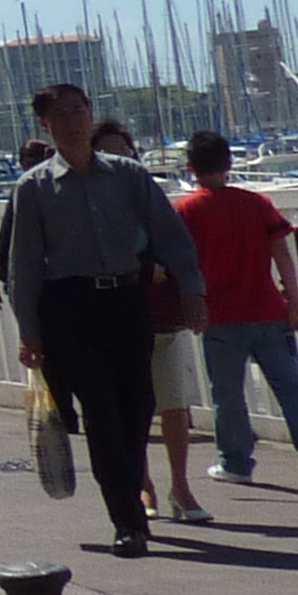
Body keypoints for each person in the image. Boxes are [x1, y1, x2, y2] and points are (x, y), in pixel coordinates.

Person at [1, 82, 205, 559]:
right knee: (102, 414)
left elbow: (170, 235)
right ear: (45, 126)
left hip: (126, 301)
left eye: (80, 110)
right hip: (69, 308)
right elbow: (23, 265)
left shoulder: (128, 176)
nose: (74, 121)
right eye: (62, 114)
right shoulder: (33, 188)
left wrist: (192, 289)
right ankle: (127, 520)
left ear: (91, 116)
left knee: (137, 408)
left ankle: (131, 497)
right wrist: (28, 330)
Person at [177, 129, 298, 499]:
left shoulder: (186, 212)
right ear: (230, 164)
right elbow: (283, 254)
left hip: (219, 315)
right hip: (268, 309)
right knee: (291, 389)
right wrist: (295, 304)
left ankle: (235, 463)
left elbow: (182, 264)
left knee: (229, 394)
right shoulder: (257, 204)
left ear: (191, 168)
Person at [92, 119, 209, 525]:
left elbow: (176, 242)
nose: (117, 157)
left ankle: (181, 485)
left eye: (123, 150)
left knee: (174, 404)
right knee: (131, 407)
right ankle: (143, 485)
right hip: (115, 316)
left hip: (161, 314)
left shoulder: (147, 192)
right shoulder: (85, 199)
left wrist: (192, 291)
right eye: (106, 150)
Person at [0, 136, 55, 317]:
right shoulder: (56, 190)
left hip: (29, 280)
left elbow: (5, 237)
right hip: (51, 278)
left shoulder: (23, 190)